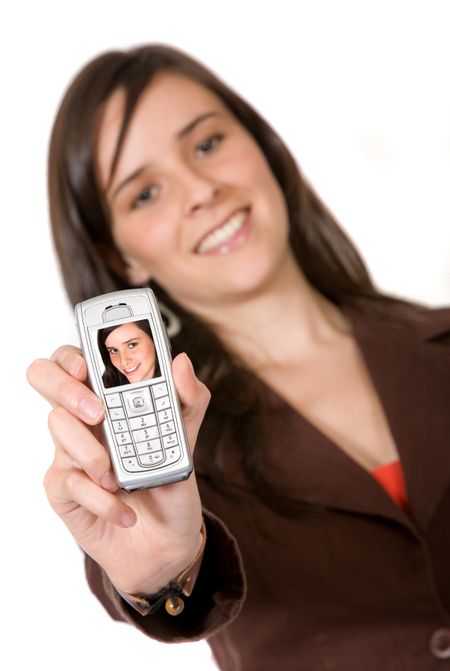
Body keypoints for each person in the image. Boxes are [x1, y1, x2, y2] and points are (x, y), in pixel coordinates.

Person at [26, 44, 450, 670]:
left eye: (206, 144)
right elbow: (166, 581)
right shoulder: (169, 446)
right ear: (122, 260)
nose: (200, 190)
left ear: (263, 147)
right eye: (144, 193)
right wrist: (162, 576)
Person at [98, 319, 158, 387]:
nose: (123, 362)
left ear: (155, 339)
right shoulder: (102, 389)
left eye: (132, 345)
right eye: (114, 350)